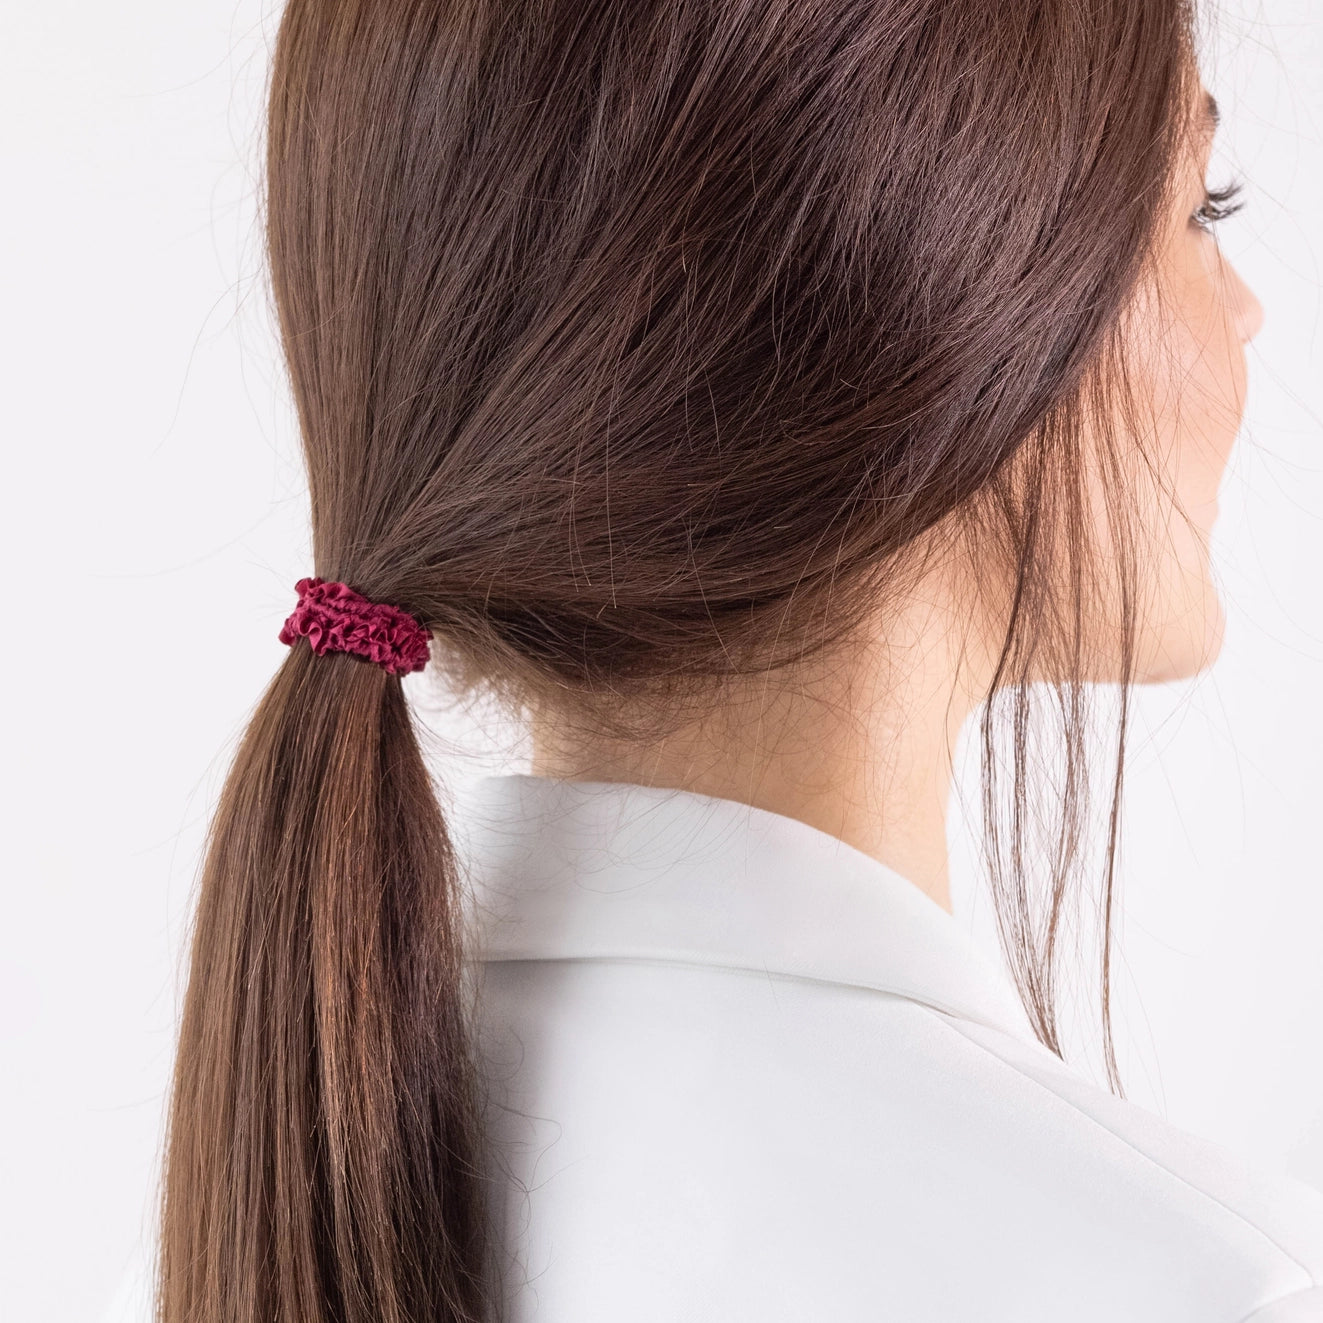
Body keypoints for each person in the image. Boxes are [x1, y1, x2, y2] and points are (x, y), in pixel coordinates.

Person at [132, 1, 1323, 1321]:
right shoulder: (1191, 1282)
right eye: (1200, 209)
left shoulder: (327, 1127)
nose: (1252, 312)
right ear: (941, 303)